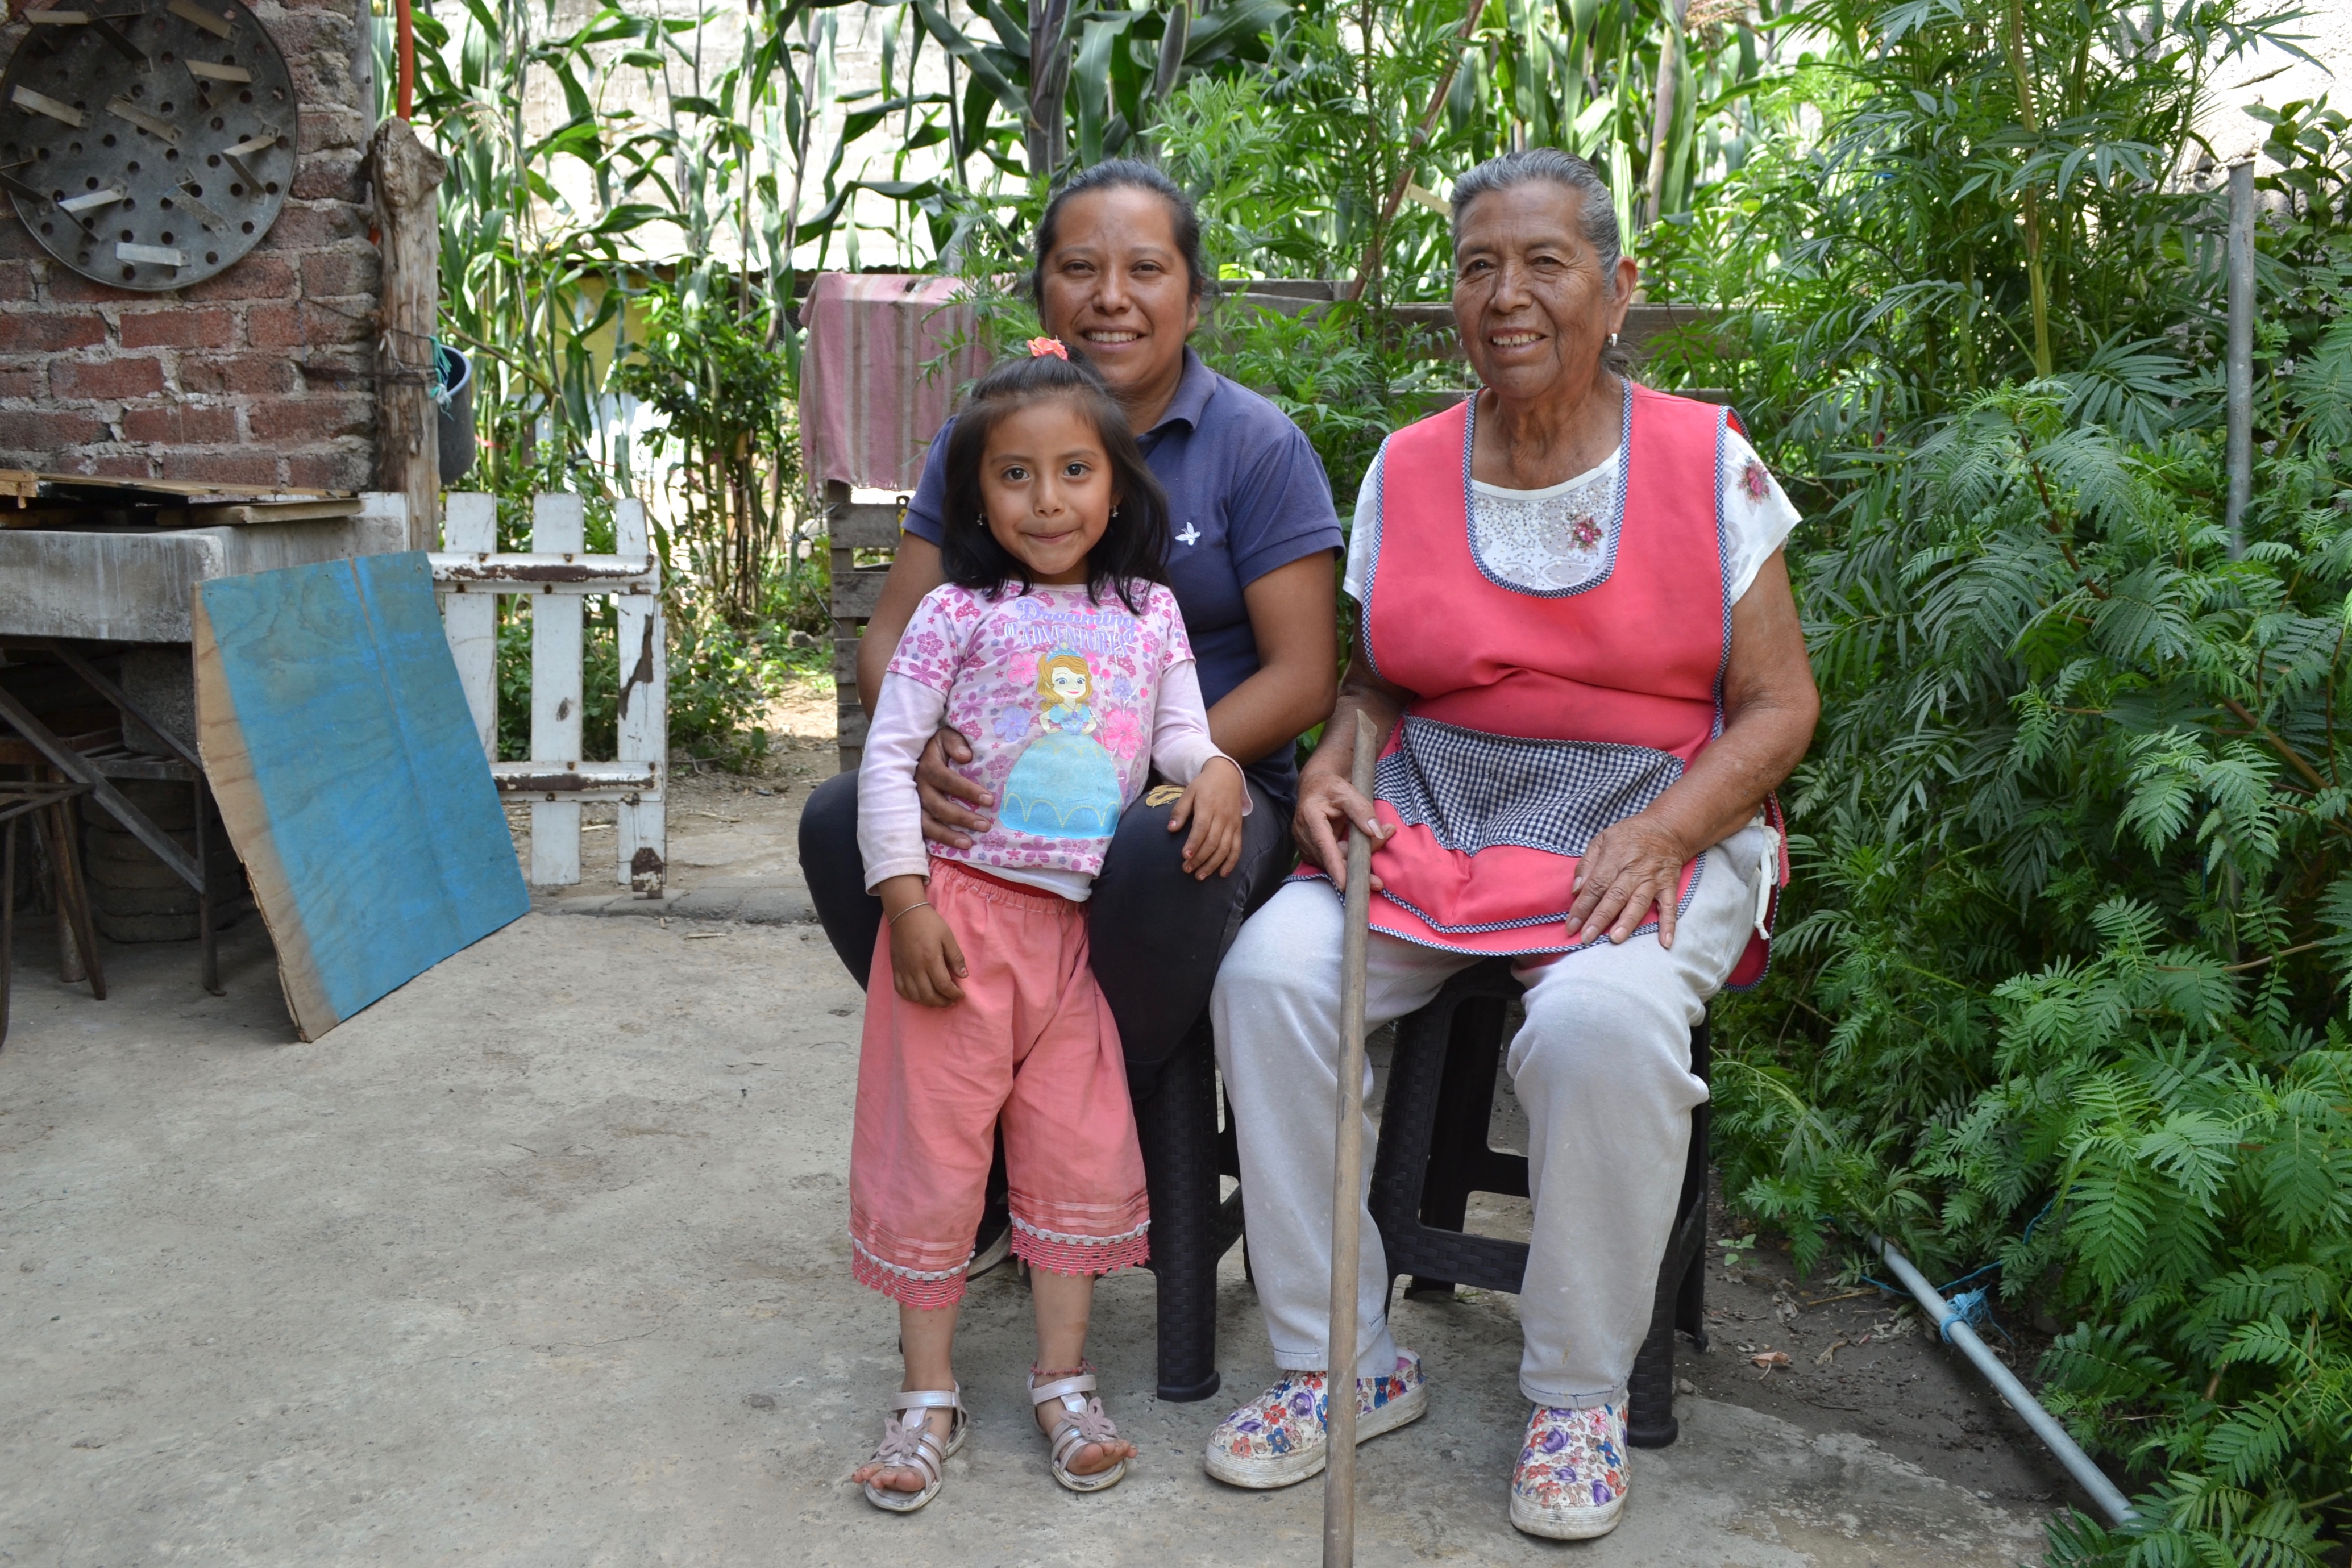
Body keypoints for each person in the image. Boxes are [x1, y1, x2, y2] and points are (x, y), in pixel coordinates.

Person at [1202, 148, 1820, 1542]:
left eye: (1545, 262)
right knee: (1271, 980)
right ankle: (1338, 1361)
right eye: (1479, 265)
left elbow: (1779, 705)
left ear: (1617, 292)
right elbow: (1373, 687)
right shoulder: (1408, 466)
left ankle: (1574, 1391)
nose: (1507, 294)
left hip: (1648, 808)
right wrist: (1327, 769)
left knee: (1600, 1031)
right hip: (1442, 801)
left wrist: (1666, 831)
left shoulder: (1707, 464)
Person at [798, 158, 1341, 1112]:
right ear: (1041, 289)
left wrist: (1136, 762)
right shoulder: (980, 443)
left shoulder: (1254, 446)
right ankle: (969, 1108)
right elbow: (891, 637)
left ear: (1194, 297)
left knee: (1147, 845)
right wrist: (919, 749)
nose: (1111, 298)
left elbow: (1301, 678)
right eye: (1081, 269)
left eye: (1145, 270)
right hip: (1006, 777)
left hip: (1207, 772)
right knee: (843, 822)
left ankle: (1082, 1113)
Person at [847, 346, 1249, 1513]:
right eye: (1014, 476)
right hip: (958, 930)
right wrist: (907, 900)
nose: (1046, 499)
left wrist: (1216, 770)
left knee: (1075, 1156)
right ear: (977, 496)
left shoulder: (1148, 613)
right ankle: (926, 1395)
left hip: (1076, 941)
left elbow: (1178, 734)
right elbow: (888, 758)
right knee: (933, 1157)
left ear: (1116, 489)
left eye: (1074, 471)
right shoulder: (952, 615)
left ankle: (1063, 1380)